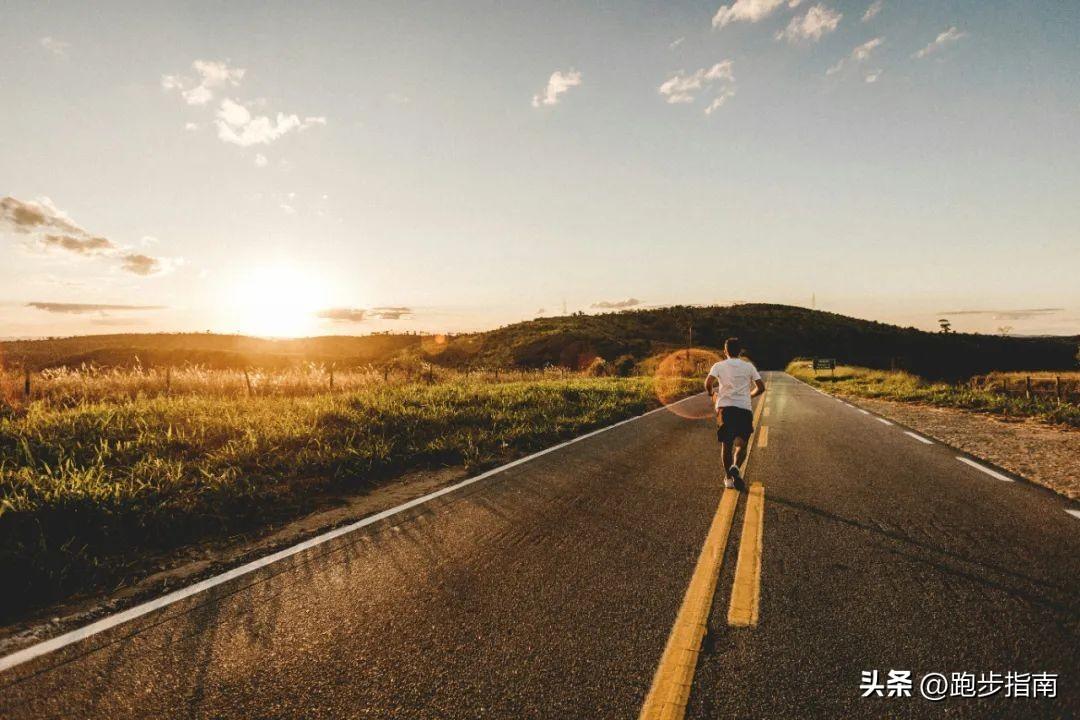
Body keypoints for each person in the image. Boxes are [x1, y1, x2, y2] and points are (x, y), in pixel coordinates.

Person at [705, 337, 765, 491]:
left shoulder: (718, 365)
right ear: (740, 351)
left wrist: (711, 393)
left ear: (725, 351)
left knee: (727, 445)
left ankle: (728, 478)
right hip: (743, 409)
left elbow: (708, 383)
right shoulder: (748, 367)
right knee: (741, 445)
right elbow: (761, 387)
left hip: (725, 410)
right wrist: (749, 395)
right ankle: (736, 467)